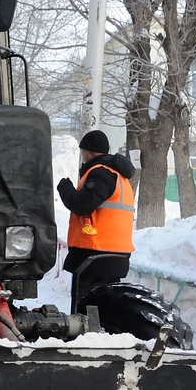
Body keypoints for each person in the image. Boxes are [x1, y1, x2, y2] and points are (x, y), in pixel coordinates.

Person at [57, 130, 137, 309]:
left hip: (94, 254)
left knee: (87, 310)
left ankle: (88, 336)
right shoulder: (118, 175)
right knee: (105, 307)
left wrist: (65, 188)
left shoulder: (101, 173)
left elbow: (82, 205)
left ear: (87, 152)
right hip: (110, 254)